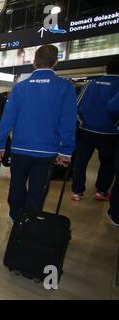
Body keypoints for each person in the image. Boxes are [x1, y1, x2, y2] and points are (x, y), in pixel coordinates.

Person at [0, 45, 77, 224]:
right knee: (38, 189)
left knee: (16, 185)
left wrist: (0, 145)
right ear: (55, 62)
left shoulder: (20, 88)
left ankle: (15, 215)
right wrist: (66, 150)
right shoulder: (65, 87)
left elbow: (8, 119)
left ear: (33, 62)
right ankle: (30, 219)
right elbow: (68, 121)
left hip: (19, 149)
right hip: (46, 152)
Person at [71, 58, 119, 201]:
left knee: (81, 162)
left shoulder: (89, 84)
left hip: (86, 130)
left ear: (105, 68)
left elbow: (76, 106)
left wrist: (81, 122)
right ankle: (101, 191)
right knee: (107, 163)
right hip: (110, 132)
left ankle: (77, 191)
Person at [106, 90, 119, 226]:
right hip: (108, 134)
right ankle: (102, 190)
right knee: (107, 162)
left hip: (89, 131)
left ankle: (116, 215)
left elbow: (113, 106)